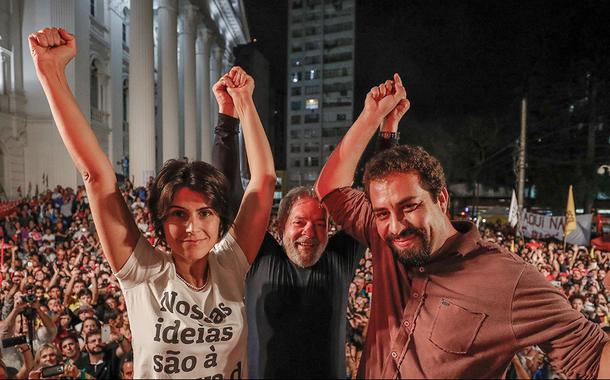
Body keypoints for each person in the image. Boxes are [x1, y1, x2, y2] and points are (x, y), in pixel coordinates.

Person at [315, 74, 610, 378]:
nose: (396, 227)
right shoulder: (387, 243)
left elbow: (592, 357)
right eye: (382, 213)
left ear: (441, 199)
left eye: (410, 207)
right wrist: (371, 117)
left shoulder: (507, 277)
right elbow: (330, 188)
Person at [29, 27, 275, 379]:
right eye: (178, 214)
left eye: (205, 213)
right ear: (160, 222)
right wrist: (51, 73)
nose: (192, 228)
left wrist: (244, 102)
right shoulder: (142, 273)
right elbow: (96, 177)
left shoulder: (231, 265)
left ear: (220, 220)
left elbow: (263, 182)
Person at [209, 78, 405, 378]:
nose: (310, 234)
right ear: (279, 225)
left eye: (320, 224)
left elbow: (375, 200)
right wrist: (227, 117)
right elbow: (227, 196)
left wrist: (388, 130)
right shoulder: (261, 256)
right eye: (299, 222)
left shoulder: (340, 257)